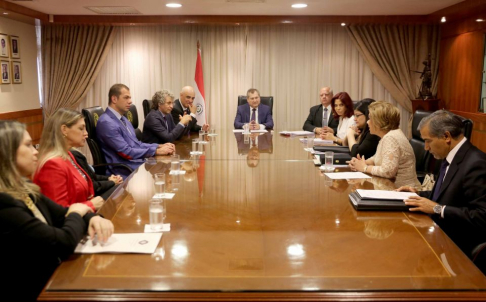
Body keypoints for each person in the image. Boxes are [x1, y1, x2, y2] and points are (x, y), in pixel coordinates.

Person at [0, 120, 114, 301]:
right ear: (6, 153)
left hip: (56, 276)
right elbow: (63, 242)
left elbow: (61, 214)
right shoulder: (4, 207)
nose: (35, 151)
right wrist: (78, 212)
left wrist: (93, 217)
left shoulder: (25, 187)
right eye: (28, 145)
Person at [398, 110, 486, 255]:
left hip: (456, 246)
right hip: (438, 233)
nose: (426, 147)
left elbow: (482, 217)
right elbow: (447, 195)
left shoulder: (476, 164)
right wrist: (418, 193)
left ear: (446, 136)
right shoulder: (450, 157)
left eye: (428, 141)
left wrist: (438, 209)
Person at [96, 84, 175, 178]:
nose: (130, 101)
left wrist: (159, 146)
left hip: (136, 163)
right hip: (124, 171)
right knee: (164, 174)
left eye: (130, 98)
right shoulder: (106, 122)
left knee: (169, 168)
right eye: (126, 98)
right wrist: (156, 151)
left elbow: (137, 144)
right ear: (114, 99)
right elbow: (126, 152)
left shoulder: (123, 119)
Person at [34, 109, 104, 211]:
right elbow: (58, 212)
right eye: (81, 129)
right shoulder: (52, 164)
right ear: (64, 130)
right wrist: (91, 205)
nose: (86, 133)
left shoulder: (68, 154)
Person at [348, 101, 421, 189]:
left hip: (403, 192)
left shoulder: (391, 138)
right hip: (391, 188)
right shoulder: (388, 136)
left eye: (370, 119)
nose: (368, 122)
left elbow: (388, 171)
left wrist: (364, 168)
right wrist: (361, 163)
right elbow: (376, 158)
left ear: (379, 121)